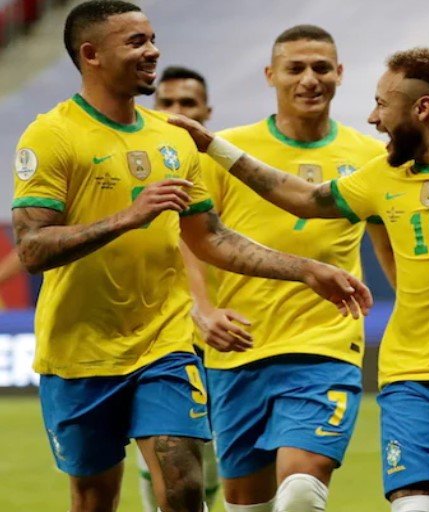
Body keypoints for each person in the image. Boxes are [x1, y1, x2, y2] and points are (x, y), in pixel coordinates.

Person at [11, 2, 370, 511]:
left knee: (182, 484)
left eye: (152, 37)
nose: (153, 50)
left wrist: (306, 270)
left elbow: (213, 238)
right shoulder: (52, 135)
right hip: (79, 351)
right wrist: (127, 217)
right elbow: (32, 248)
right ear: (91, 54)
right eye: (136, 42)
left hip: (164, 345)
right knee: (94, 499)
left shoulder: (172, 138)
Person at [173, 46, 429, 512]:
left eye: (382, 104)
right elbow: (305, 198)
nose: (374, 118)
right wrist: (214, 146)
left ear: (422, 108)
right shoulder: (381, 177)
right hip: (412, 379)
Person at [188, 25, 393, 512]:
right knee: (246, 504)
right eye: (295, 68)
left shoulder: (369, 157)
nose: (309, 79)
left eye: (321, 68)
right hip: (239, 349)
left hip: (325, 346)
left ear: (340, 74)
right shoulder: (228, 151)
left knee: (301, 490)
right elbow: (192, 241)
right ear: (270, 75)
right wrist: (203, 309)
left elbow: (390, 248)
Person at [130, 64, 221, 512]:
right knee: (167, 461)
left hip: (233, 335)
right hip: (167, 330)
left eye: (188, 103)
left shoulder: (226, 166)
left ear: (207, 110)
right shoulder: (146, 166)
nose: (177, 111)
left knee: (210, 472)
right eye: (167, 102)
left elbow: (208, 242)